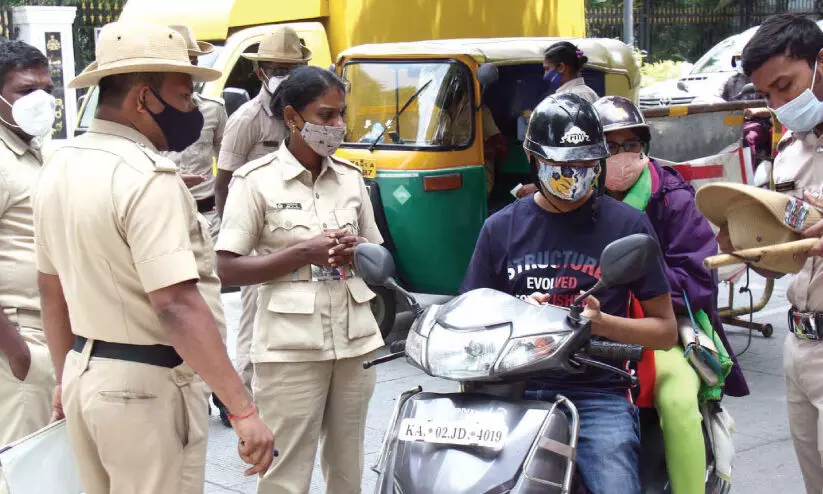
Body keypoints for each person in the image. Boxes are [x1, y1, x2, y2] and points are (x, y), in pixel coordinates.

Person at [32, 21, 274, 494]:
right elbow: (176, 305)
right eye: (185, 98)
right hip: (146, 390)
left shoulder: (61, 163)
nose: (192, 112)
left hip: (86, 375)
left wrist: (65, 379)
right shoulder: (148, 178)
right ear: (143, 99)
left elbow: (51, 290)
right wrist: (243, 410)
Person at [460, 92, 677, 494]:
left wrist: (603, 323)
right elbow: (471, 319)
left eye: (584, 164)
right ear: (535, 159)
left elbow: (665, 332)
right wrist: (517, 314)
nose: (574, 174)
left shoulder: (627, 226)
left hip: (596, 393)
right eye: (561, 165)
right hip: (514, 388)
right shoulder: (500, 229)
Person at [216, 66, 384, 494]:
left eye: (341, 115)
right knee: (285, 472)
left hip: (355, 341)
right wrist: (300, 254)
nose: (337, 126)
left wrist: (358, 248)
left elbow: (380, 256)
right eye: (326, 115)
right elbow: (227, 267)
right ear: (293, 118)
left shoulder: (350, 178)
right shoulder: (255, 181)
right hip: (289, 348)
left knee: (348, 467)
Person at [593, 95, 750, 494]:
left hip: (661, 327)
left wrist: (647, 293)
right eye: (611, 146)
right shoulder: (575, 199)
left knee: (678, 401)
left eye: (631, 145)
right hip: (585, 329)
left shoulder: (672, 198)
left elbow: (699, 276)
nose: (622, 155)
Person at [737, 13, 823, 493]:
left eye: (786, 87)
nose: (780, 105)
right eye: (768, 95)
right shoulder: (789, 149)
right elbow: (784, 246)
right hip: (799, 343)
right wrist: (745, 245)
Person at [215, 26, 311, 408]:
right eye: (276, 68)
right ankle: (243, 398)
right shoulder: (246, 120)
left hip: (300, 235)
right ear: (260, 73)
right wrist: (236, 243)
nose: (284, 76)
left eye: (293, 68)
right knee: (254, 316)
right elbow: (223, 184)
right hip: (257, 238)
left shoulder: (306, 116)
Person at [0, 40, 56, 482]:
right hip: (18, 339)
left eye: (47, 89)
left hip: (46, 334)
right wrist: (17, 352)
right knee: (22, 475)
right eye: (25, 90)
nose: (40, 100)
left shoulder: (33, 150)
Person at [163, 25, 227, 240]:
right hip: (164, 218)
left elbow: (227, 164)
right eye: (181, 65)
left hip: (209, 220)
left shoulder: (213, 109)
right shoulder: (144, 116)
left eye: (193, 63)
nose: (189, 72)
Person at [513, 42, 599, 199]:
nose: (545, 75)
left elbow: (571, 151)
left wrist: (540, 185)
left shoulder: (572, 99)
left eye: (547, 69)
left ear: (561, 67)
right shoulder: (586, 93)